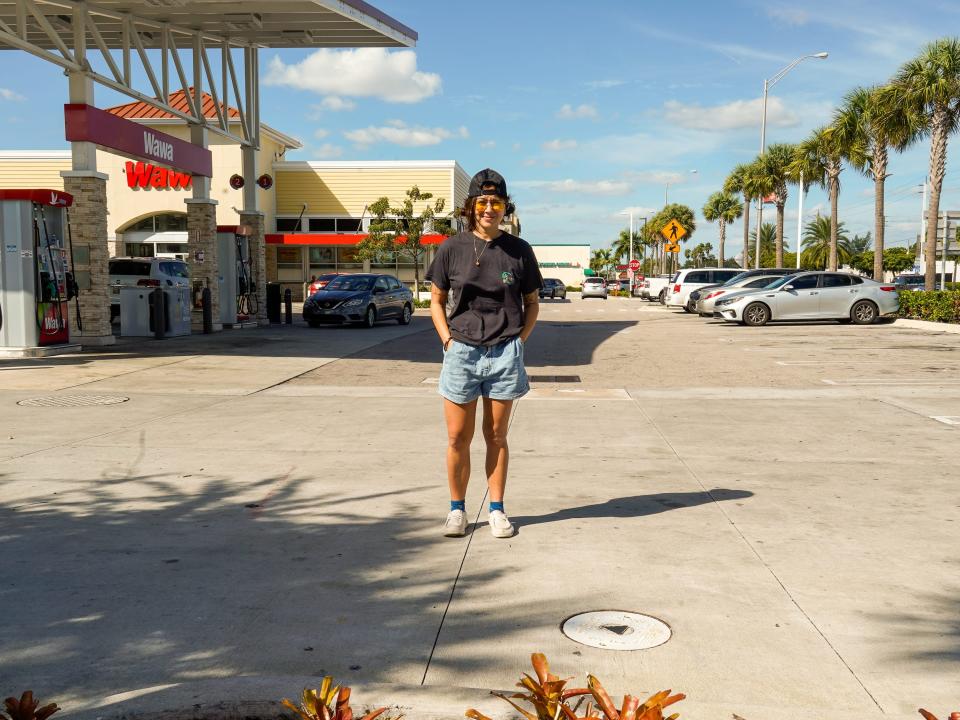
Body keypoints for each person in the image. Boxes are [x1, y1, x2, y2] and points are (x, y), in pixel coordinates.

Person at [426, 169, 542, 539]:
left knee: (496, 436)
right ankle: (456, 510)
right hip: (462, 352)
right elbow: (437, 300)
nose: (489, 208)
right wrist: (447, 340)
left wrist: (519, 340)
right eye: (482, 201)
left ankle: (496, 510)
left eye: (496, 202)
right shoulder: (451, 248)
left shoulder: (519, 251)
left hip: (505, 352)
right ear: (471, 206)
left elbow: (532, 303)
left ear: (505, 206)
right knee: (458, 437)